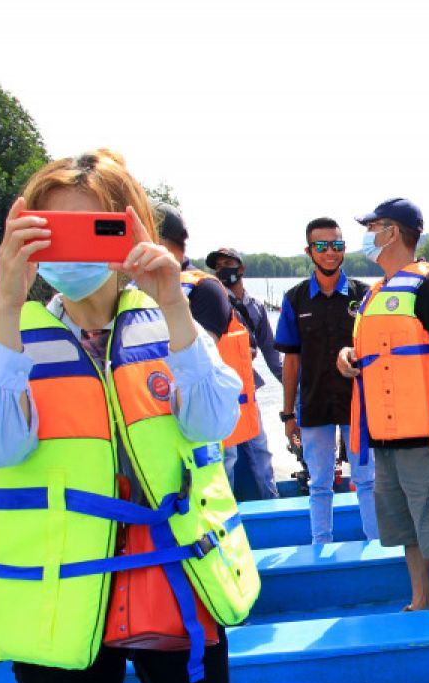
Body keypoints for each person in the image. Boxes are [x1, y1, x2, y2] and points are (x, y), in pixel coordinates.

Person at [0, 150, 259, 683]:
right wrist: (7, 299)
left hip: (174, 578)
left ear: (128, 228)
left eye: (91, 229)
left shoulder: (172, 320)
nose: (70, 250)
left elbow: (217, 421)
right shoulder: (0, 341)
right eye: (53, 231)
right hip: (58, 597)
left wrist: (172, 301)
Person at [336, 198, 429, 611]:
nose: (368, 235)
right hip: (384, 436)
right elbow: (377, 351)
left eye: (374, 226)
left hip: (425, 436)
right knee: (406, 529)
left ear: (394, 232)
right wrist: (347, 355)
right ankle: (421, 600)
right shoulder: (376, 293)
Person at [273, 217, 376, 544]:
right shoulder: (295, 299)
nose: (330, 252)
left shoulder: (365, 296)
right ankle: (321, 546)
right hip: (314, 405)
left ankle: (375, 546)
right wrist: (288, 415)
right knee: (319, 483)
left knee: (367, 479)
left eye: (337, 245)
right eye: (322, 246)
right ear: (309, 251)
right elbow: (291, 361)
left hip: (358, 405)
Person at [153, 206, 264, 497]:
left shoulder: (204, 290)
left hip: (207, 418)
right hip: (155, 422)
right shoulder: (131, 290)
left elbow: (198, 362)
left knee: (248, 464)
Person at [205, 246, 281, 500]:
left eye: (228, 263)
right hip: (219, 393)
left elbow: (272, 353)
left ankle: (270, 500)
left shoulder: (256, 307)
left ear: (241, 268)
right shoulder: (212, 302)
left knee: (259, 450)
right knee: (227, 455)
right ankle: (226, 510)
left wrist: (294, 389)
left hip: (248, 391)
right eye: (218, 266)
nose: (223, 270)